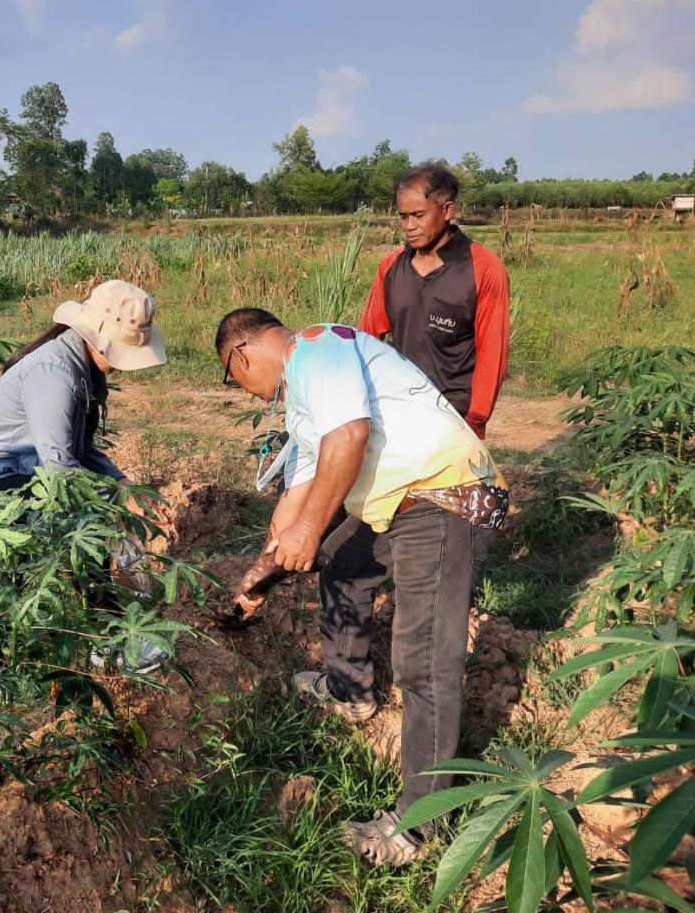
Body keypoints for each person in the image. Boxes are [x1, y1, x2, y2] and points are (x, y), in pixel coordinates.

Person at [216, 308, 508, 866]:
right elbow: (298, 501)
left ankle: (419, 826)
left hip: (445, 496)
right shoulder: (307, 403)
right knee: (340, 563)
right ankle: (350, 691)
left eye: (236, 381)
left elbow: (350, 438)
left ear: (242, 355)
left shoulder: (317, 349)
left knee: (423, 664)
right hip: (402, 502)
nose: (248, 394)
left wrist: (305, 529)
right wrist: (259, 576)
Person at [0, 278, 168, 673]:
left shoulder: (80, 366)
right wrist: (109, 522)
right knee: (12, 566)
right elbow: (61, 469)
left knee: (84, 532)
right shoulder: (55, 374)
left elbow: (78, 449)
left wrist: (119, 482)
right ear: (97, 338)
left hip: (23, 470)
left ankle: (107, 637)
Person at [358, 162, 509, 439]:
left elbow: (492, 351)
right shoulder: (391, 266)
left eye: (418, 215)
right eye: (403, 217)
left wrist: (475, 420)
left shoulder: (483, 268)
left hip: (455, 415)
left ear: (448, 210)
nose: (409, 226)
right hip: (399, 407)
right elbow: (367, 339)